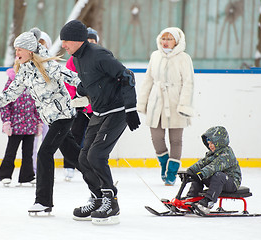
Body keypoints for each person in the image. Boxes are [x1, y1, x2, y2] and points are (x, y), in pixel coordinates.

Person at [0, 27, 88, 213]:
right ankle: (102, 184)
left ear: (30, 50)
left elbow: (76, 79)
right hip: (51, 119)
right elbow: (9, 95)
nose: (16, 53)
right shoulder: (25, 71)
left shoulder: (50, 66)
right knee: (74, 155)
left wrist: (86, 96)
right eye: (15, 49)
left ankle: (43, 201)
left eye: (19, 49)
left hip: (63, 116)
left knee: (44, 153)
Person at [60, 20, 140, 225]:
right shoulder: (77, 59)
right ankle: (97, 198)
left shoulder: (98, 54)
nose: (63, 45)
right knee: (83, 158)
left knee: (97, 155)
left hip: (117, 111)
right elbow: (93, 82)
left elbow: (127, 76)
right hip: (99, 111)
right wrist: (80, 92)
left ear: (78, 40)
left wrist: (130, 109)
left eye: (66, 41)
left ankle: (110, 202)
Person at [137, 27, 194, 186]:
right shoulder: (155, 56)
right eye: (163, 38)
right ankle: (164, 164)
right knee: (156, 138)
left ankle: (171, 172)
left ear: (177, 41)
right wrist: (142, 103)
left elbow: (188, 83)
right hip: (156, 101)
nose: (165, 42)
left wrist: (184, 105)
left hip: (176, 102)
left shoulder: (184, 58)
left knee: (176, 140)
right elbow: (148, 79)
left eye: (169, 39)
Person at [62, 27, 98, 181]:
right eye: (87, 40)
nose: (90, 43)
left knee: (94, 136)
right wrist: (75, 100)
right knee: (74, 134)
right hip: (78, 105)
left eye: (93, 41)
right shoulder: (73, 59)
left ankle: (93, 164)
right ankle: (70, 165)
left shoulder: (99, 57)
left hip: (95, 106)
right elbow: (68, 83)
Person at [0, 62, 42, 187]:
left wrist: (39, 121)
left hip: (30, 124)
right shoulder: (11, 83)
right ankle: (5, 175)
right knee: (11, 152)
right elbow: (4, 102)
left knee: (28, 153)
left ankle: (27, 176)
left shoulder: (33, 83)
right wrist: (6, 121)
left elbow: (37, 103)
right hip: (15, 125)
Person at [185, 126, 242, 214]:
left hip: (231, 182)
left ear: (219, 142)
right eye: (209, 143)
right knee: (197, 175)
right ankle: (191, 198)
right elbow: (201, 163)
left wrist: (201, 174)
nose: (210, 146)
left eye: (212, 143)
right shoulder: (212, 153)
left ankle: (208, 201)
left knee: (218, 175)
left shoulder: (227, 154)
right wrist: (190, 172)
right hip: (217, 181)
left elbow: (214, 166)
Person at [31, 31, 52, 174]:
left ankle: (45, 171)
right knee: (32, 143)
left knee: (47, 142)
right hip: (30, 111)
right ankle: (32, 169)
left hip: (48, 109)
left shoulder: (51, 64)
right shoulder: (26, 63)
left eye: (42, 43)